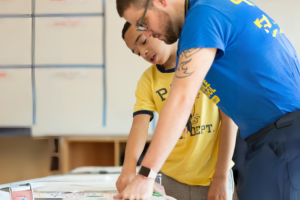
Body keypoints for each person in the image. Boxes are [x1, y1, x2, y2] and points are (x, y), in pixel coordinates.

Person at [115, 0, 300, 199]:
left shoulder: (202, 15)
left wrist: (145, 176)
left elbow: (181, 100)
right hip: (269, 137)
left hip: (283, 135)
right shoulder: (210, 9)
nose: (148, 32)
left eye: (143, 24)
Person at [115, 21, 237, 200]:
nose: (143, 53)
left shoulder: (207, 64)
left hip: (214, 177)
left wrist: (221, 177)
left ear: (158, 30)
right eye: (136, 53)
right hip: (169, 179)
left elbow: (229, 121)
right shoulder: (148, 81)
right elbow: (139, 126)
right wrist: (128, 168)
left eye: (142, 42)